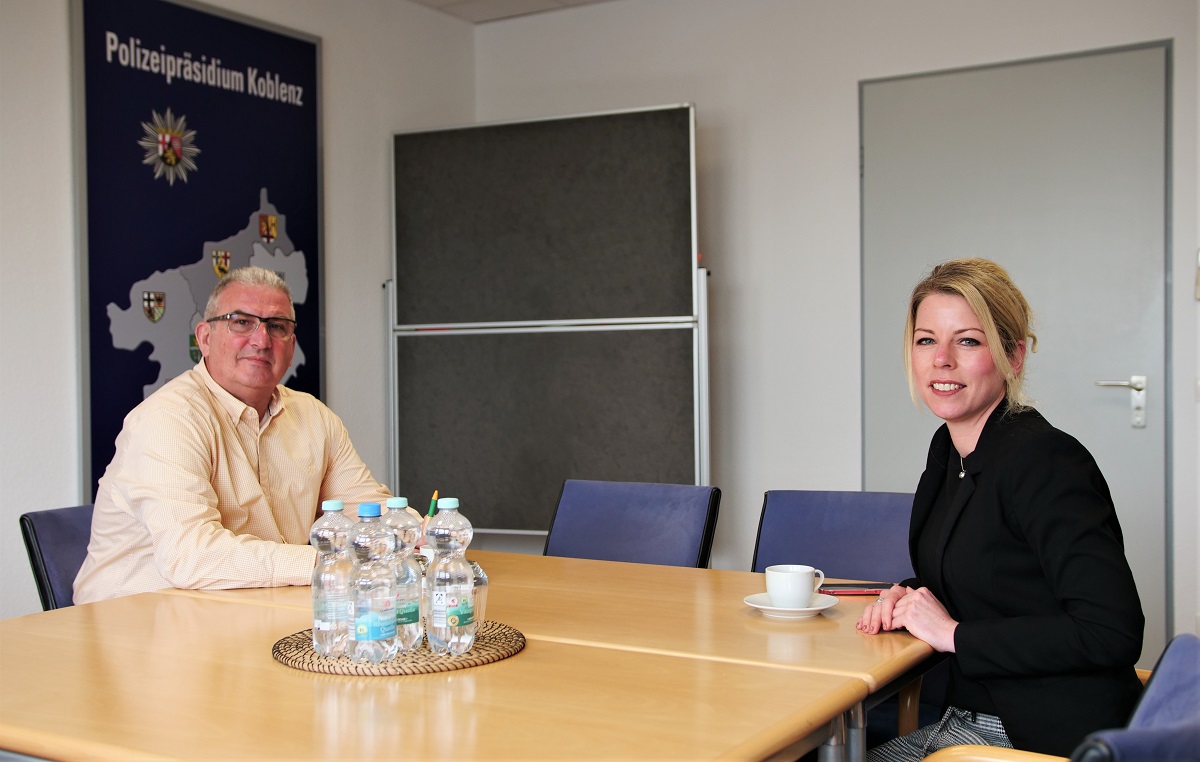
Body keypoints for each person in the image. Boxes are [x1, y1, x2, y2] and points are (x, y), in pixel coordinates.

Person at [858, 258, 1144, 760]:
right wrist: (909, 598)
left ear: (1013, 357)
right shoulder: (950, 451)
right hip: (969, 719)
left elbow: (1110, 632)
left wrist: (952, 635)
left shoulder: (1046, 461)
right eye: (926, 340)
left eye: (967, 340)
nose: (941, 359)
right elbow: (990, 573)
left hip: (1038, 736)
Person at [75, 267, 415, 603]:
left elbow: (365, 508)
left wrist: (412, 530)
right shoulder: (168, 421)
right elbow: (192, 556)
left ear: (291, 345)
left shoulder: (314, 417)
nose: (261, 340)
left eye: (277, 327)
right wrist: (325, 562)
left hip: (246, 611)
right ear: (205, 338)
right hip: (133, 626)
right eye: (241, 322)